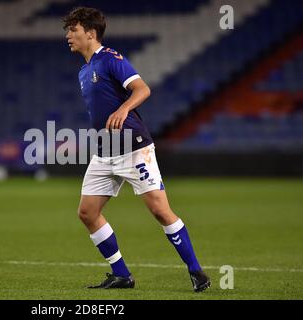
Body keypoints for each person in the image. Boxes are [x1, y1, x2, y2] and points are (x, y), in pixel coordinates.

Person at [63, 7, 210, 292]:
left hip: (133, 148)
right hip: (105, 152)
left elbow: (142, 89)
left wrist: (123, 108)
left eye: (74, 30)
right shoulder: (84, 70)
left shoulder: (110, 59)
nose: (68, 35)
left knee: (160, 210)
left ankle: (196, 271)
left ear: (90, 34)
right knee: (87, 213)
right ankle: (121, 275)